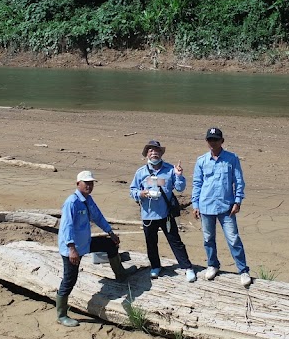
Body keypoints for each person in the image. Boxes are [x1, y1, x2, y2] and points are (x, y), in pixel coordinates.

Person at [56, 170, 135, 327]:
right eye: (86, 183)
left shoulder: (88, 199)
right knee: (69, 279)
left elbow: (98, 216)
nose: (89, 186)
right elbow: (67, 227)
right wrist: (71, 249)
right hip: (73, 247)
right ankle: (61, 315)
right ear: (78, 184)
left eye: (91, 183)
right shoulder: (72, 202)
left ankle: (120, 274)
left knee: (109, 244)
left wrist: (110, 233)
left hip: (85, 242)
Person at [191, 127, 252, 287]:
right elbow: (197, 184)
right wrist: (195, 204)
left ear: (222, 141)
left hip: (227, 208)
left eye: (216, 139)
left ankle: (243, 270)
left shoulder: (232, 158)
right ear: (207, 141)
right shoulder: (201, 161)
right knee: (208, 238)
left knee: (233, 239)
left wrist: (238, 201)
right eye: (210, 139)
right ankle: (213, 265)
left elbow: (238, 181)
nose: (213, 142)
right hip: (205, 207)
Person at [130, 139, 197, 283]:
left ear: (161, 153)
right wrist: (140, 194)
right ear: (147, 154)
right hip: (148, 215)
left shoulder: (169, 170)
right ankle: (155, 266)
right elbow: (133, 190)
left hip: (166, 214)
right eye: (151, 150)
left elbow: (180, 188)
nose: (154, 153)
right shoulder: (141, 172)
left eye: (156, 150)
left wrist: (179, 175)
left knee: (175, 241)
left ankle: (187, 267)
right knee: (151, 242)